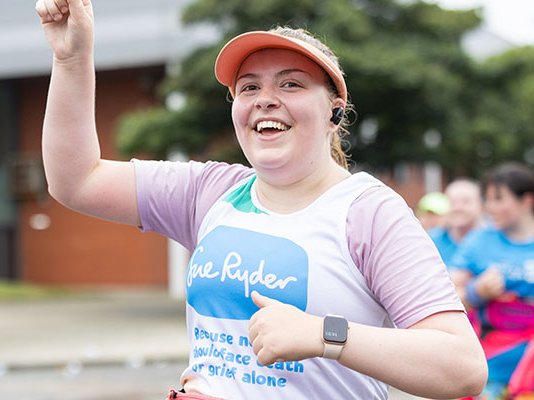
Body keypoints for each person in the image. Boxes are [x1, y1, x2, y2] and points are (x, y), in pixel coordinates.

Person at [35, 0, 487, 399]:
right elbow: (76, 180)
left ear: (335, 112)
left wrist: (324, 335)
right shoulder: (210, 191)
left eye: (291, 85)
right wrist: (72, 57)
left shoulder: (369, 212)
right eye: (249, 87)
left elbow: (462, 367)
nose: (265, 100)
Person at [450, 163, 534, 400]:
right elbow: (445, 298)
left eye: (498, 199)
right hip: (490, 359)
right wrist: (477, 292)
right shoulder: (478, 242)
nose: (490, 207)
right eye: (487, 199)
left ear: (526, 201)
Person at [428, 179, 484, 267]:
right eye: (452, 202)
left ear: (480, 205)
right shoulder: (431, 241)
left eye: (466, 202)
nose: (458, 208)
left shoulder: (494, 240)